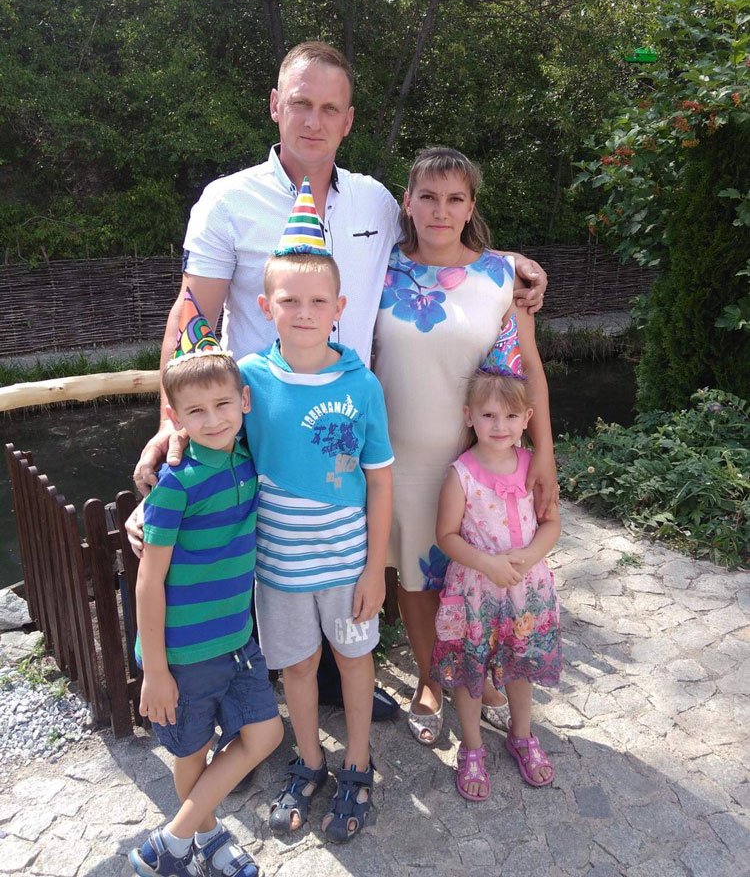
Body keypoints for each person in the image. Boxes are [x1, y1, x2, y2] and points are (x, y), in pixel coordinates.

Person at [131, 43, 549, 719]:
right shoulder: (227, 202)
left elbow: (436, 241)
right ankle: (225, 697)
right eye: (301, 103)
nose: (314, 120)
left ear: (349, 120)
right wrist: (168, 421)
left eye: (330, 108)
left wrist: (508, 261)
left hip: (350, 419)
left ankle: (334, 680)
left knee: (342, 551)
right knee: (242, 554)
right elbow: (190, 314)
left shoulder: (374, 201)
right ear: (276, 105)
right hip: (258, 421)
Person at [373, 147, 558, 747]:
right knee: (416, 579)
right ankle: (431, 680)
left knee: (479, 578)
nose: (440, 210)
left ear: (471, 206)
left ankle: (480, 680)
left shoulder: (501, 277)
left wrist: (545, 454)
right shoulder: (379, 269)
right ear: (407, 202)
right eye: (428, 197)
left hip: (478, 465)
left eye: (455, 198)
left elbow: (530, 369)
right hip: (398, 459)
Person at [237, 206, 393, 841]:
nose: (304, 313)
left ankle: (357, 763)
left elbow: (379, 479)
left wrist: (375, 570)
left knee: (354, 661)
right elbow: (206, 439)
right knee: (297, 667)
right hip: (278, 567)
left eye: (318, 301)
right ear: (266, 305)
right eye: (289, 300)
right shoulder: (247, 381)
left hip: (346, 564)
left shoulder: (362, 385)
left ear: (339, 307)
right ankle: (308, 760)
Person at [130, 295, 283, 877]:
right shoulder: (177, 484)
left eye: (223, 404)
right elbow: (149, 580)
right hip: (184, 653)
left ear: (243, 400)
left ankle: (170, 842)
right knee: (192, 749)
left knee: (265, 733)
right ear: (176, 417)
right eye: (196, 411)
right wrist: (155, 670)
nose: (214, 419)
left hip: (237, 640)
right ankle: (206, 840)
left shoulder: (246, 456)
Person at [431, 341, 562, 799]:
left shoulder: (533, 469)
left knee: (520, 667)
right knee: (471, 671)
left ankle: (521, 734)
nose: (500, 425)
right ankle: (471, 746)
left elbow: (551, 523)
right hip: (474, 593)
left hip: (527, 590)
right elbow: (446, 535)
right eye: (488, 415)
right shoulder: (461, 474)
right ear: (469, 416)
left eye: (510, 416)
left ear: (527, 419)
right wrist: (487, 562)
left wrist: (528, 556)